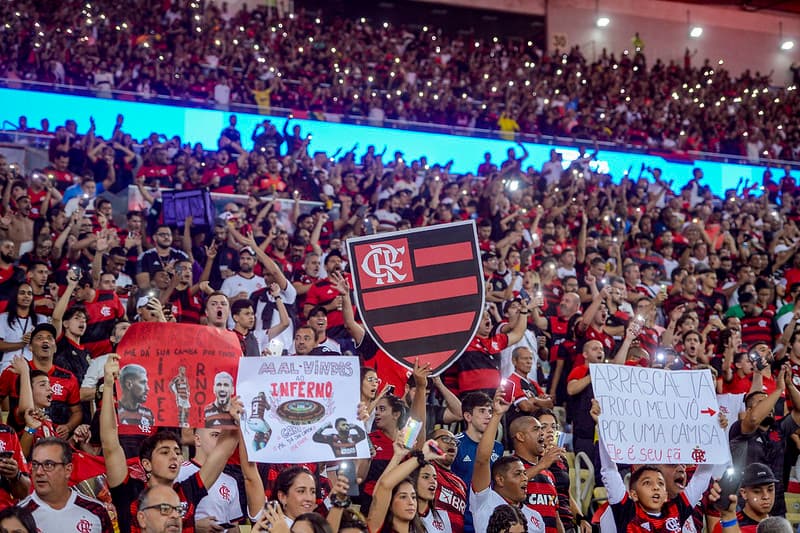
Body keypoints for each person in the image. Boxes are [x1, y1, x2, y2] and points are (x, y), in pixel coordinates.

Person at [101, 354, 239, 533]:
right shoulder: (129, 491)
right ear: (146, 464)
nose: (174, 456)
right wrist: (108, 385)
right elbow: (110, 443)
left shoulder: (187, 491)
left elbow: (224, 450)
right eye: (165, 452)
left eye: (177, 451)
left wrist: (234, 419)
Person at [469, 391, 544, 533]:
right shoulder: (484, 501)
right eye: (518, 474)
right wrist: (497, 414)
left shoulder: (536, 518)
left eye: (524, 473)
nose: (525, 478)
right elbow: (482, 460)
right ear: (500, 479)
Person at [18, 437, 113, 531]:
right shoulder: (19, 515)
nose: (39, 472)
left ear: (68, 470)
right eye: (35, 464)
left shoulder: (96, 511)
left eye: (48, 465)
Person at [176, 428, 243, 531]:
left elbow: (234, 526)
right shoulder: (178, 473)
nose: (220, 441)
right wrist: (194, 526)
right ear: (198, 440)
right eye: (215, 435)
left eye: (222, 437)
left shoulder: (231, 481)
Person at [117, 363, 155, 435]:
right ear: (129, 384)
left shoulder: (148, 414)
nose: (147, 388)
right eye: (143, 382)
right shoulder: (113, 412)